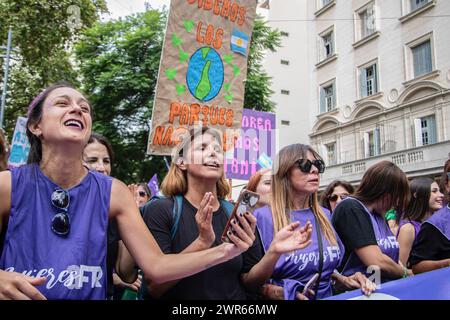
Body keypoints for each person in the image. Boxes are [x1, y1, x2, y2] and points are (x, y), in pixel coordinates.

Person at [0, 83, 260, 300]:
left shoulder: (114, 192)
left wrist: (225, 251)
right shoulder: (8, 185)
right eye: (62, 103)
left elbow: (156, 267)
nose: (77, 109)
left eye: (84, 108)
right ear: (36, 126)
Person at [141, 127, 313, 300]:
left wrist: (274, 252)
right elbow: (155, 287)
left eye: (218, 150)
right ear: (181, 162)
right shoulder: (160, 210)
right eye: (202, 148)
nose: (213, 153)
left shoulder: (237, 212)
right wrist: (202, 243)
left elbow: (250, 282)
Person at [254, 144, 375, 300]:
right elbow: (248, 282)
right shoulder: (261, 218)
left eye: (318, 165)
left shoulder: (326, 216)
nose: (315, 170)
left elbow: (326, 271)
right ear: (285, 172)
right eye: (305, 165)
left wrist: (345, 280)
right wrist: (277, 292)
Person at [82, 132, 142, 300]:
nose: (102, 167)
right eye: (92, 160)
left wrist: (132, 216)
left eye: (106, 161)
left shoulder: (114, 210)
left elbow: (126, 272)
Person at [332, 161, 412, 283]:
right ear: (385, 192)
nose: (397, 203)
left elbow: (391, 256)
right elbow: (376, 261)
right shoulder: (351, 208)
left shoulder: (379, 214)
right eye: (397, 196)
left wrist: (400, 268)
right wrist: (406, 273)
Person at [409, 160, 450, 274]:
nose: (439, 196)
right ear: (447, 185)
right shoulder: (434, 225)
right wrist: (446, 263)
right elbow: (417, 267)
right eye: (433, 191)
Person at [397, 178, 444, 267]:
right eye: (434, 191)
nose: (441, 195)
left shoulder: (439, 224)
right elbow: (400, 269)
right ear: (418, 196)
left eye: (440, 191)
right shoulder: (408, 229)